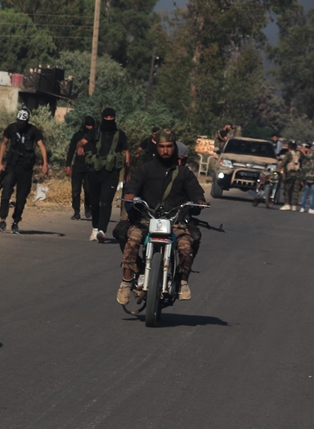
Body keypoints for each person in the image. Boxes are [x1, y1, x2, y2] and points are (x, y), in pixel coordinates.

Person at [115, 132, 208, 304]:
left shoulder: (184, 173)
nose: (165, 151)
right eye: (162, 147)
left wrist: (199, 201)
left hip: (176, 223)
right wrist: (130, 195)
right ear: (157, 148)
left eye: (169, 147)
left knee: (186, 246)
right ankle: (126, 282)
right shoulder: (145, 169)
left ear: (174, 148)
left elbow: (196, 193)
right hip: (146, 220)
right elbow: (132, 186)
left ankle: (182, 281)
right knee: (132, 240)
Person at [0, 108, 49, 234]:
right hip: (12, 166)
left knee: (21, 197)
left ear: (27, 121)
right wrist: (0, 164)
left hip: (25, 168)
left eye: (22, 122)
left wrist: (45, 163)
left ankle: (15, 222)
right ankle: (2, 220)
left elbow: (42, 147)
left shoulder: (33, 131)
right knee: (6, 192)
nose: (20, 124)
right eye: (18, 121)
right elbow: (3, 144)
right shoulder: (11, 128)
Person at [83, 108, 129, 244]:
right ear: (102, 117)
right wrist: (80, 147)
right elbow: (83, 142)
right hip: (95, 172)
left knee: (105, 201)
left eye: (111, 117)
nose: (109, 119)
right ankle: (95, 227)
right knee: (95, 203)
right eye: (106, 117)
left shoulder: (120, 135)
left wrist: (126, 172)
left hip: (111, 173)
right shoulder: (95, 132)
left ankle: (102, 230)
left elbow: (126, 152)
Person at [65, 116, 96, 221]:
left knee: (88, 189)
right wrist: (68, 165)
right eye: (88, 125)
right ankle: (76, 212)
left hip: (90, 167)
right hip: (78, 166)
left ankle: (88, 207)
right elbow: (71, 151)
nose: (90, 127)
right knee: (76, 190)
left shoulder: (95, 137)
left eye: (92, 125)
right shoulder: (77, 136)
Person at [279, 142, 302, 212]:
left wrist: (279, 167)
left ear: (289, 147)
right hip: (298, 174)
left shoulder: (289, 154)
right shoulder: (299, 154)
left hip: (290, 174)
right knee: (296, 190)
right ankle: (294, 206)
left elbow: (284, 162)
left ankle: (287, 204)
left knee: (287, 189)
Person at [299, 143, 314, 214]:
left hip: (306, 178)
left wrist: (302, 179)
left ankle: (302, 207)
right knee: (312, 193)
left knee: (305, 193)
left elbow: (302, 169)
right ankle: (311, 208)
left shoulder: (305, 158)